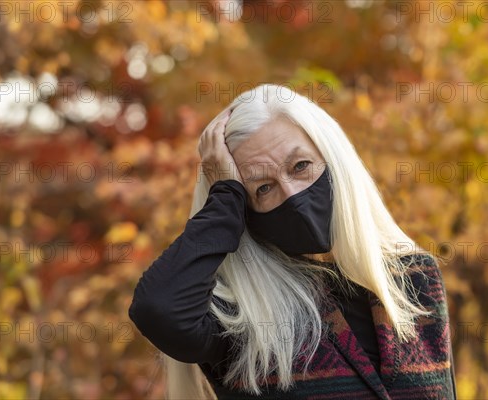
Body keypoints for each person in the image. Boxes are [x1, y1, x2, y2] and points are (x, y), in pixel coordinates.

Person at [128, 84, 457, 399]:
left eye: (301, 166)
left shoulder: (414, 277)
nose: (293, 194)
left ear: (334, 161)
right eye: (264, 188)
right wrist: (224, 198)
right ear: (246, 211)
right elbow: (158, 309)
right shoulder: (237, 314)